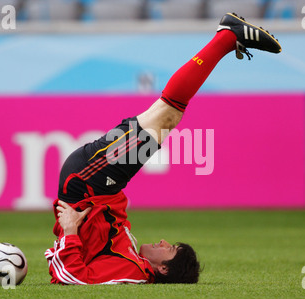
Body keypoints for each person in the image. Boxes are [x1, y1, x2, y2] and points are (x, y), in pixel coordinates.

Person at [45, 12, 282, 285]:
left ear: (164, 270)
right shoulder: (132, 258)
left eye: (169, 249)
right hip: (99, 185)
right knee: (166, 115)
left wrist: (72, 231)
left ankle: (228, 36)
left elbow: (71, 275)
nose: (163, 241)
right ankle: (228, 38)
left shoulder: (134, 270)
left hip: (87, 183)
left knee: (167, 116)